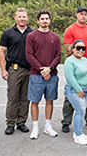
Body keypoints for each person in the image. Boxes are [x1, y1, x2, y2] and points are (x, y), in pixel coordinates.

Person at [61, 6, 87, 133]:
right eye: (81, 14)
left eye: (85, 14)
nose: (83, 16)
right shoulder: (70, 30)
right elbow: (67, 48)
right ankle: (66, 121)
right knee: (71, 94)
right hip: (75, 66)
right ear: (77, 15)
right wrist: (75, 59)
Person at [25, 10, 61, 139]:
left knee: (49, 101)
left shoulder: (55, 37)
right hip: (36, 74)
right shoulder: (31, 36)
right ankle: (35, 128)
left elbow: (58, 55)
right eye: (42, 19)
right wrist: (41, 69)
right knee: (34, 101)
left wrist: (50, 69)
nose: (44, 21)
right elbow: (29, 55)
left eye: (46, 18)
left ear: (50, 20)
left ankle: (48, 126)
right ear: (38, 21)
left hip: (52, 75)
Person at [0, 7, 33, 135]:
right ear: (15, 18)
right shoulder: (8, 32)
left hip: (29, 70)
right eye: (19, 16)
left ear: (27, 18)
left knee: (25, 98)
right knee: (13, 97)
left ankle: (21, 122)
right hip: (14, 69)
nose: (22, 19)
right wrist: (3, 70)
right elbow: (1, 51)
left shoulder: (32, 33)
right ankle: (10, 123)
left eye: (24, 16)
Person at [64, 40, 87, 145]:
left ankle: (78, 133)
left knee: (82, 112)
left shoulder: (86, 60)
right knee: (80, 112)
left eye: (83, 48)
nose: (81, 50)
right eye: (78, 48)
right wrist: (79, 90)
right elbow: (70, 77)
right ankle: (78, 135)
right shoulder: (69, 61)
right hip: (75, 90)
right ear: (73, 49)